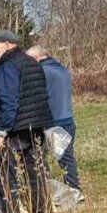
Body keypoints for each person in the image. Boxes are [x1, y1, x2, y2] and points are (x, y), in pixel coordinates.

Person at [0, 31, 53, 213]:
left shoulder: (8, 66)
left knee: (8, 176)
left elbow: (10, 102)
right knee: (37, 173)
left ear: (7, 44)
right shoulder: (32, 63)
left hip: (13, 129)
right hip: (35, 127)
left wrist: (1, 132)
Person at [28, 46, 81, 193]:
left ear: (36, 58)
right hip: (67, 119)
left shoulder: (41, 72)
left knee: (46, 156)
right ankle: (70, 187)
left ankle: (72, 189)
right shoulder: (62, 70)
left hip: (53, 122)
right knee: (66, 156)